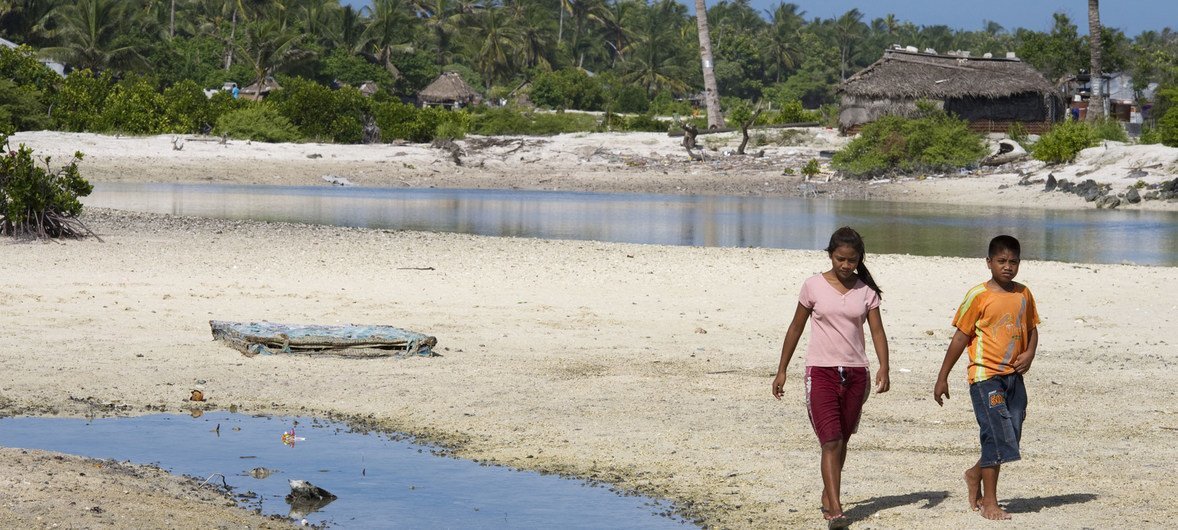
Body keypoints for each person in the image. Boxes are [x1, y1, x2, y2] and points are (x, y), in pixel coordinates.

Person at [772, 226, 891, 529]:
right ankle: (835, 509)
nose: (845, 266)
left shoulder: (866, 292)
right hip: (820, 372)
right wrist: (782, 369)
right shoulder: (812, 286)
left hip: (856, 374)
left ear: (859, 259)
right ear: (830, 255)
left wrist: (883, 367)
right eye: (840, 259)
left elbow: (877, 331)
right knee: (831, 440)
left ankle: (829, 494)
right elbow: (795, 328)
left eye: (851, 261)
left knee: (844, 438)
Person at [933, 235, 1040, 521]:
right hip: (985, 377)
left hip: (1014, 377)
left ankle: (974, 473)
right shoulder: (978, 295)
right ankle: (990, 502)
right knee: (995, 436)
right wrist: (942, 376)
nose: (1007, 267)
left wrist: (1029, 353)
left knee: (1012, 434)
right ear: (989, 262)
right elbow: (960, 337)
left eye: (1013, 262)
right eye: (1001, 261)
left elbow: (1032, 329)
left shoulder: (1024, 294)